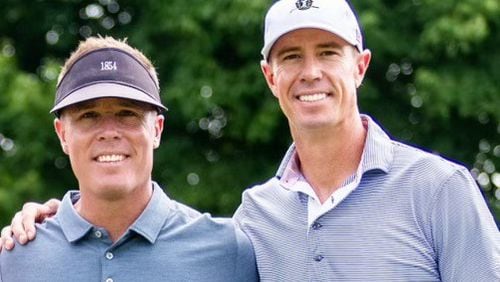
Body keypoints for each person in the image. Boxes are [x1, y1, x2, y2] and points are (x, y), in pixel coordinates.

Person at [2, 0, 499, 281]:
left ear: (361, 65)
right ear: (268, 75)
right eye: (290, 57)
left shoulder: (440, 190)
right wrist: (49, 221)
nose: (310, 73)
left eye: (328, 52)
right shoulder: (253, 222)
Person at [0, 36, 257, 282]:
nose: (109, 132)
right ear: (63, 134)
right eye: (89, 116)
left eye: (127, 113)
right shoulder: (16, 256)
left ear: (156, 130)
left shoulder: (227, 252)